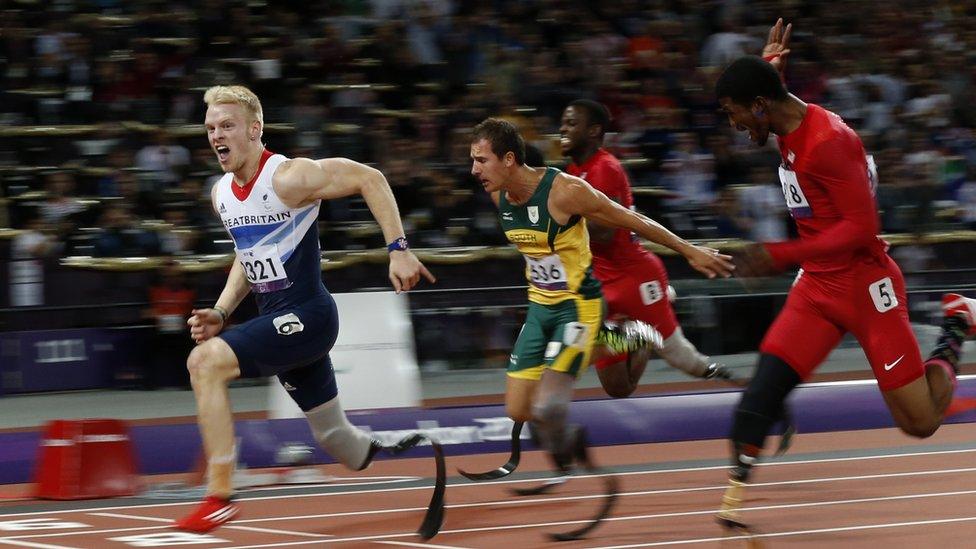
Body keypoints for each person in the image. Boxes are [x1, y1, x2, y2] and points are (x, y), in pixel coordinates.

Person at [713, 19, 976, 529]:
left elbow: (861, 229)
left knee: (920, 422)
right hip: (817, 287)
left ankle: (957, 322)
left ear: (760, 106)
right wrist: (770, 66)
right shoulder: (780, 115)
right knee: (761, 393)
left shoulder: (828, 142)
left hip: (865, 286)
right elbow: (768, 98)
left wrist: (778, 253)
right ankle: (733, 498)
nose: (734, 125)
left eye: (735, 114)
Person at [176, 85, 443, 536]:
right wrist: (222, 311)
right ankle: (389, 445)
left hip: (310, 316)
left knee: (204, 362)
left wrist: (398, 249)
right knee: (340, 444)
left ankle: (219, 495)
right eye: (210, 129)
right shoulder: (222, 193)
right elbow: (248, 254)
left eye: (227, 126)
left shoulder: (288, 177)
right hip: (277, 323)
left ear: (255, 129)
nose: (216, 136)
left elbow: (370, 177)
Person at [467, 118, 733, 537]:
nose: (474, 170)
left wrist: (688, 250)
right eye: (473, 161)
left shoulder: (565, 191)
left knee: (549, 409)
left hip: (578, 307)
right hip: (540, 308)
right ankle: (628, 335)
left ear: (509, 159)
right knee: (519, 411)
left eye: (481, 160)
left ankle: (630, 337)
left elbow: (631, 219)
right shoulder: (498, 194)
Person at [559, 99, 738, 398]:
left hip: (633, 278)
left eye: (570, 123)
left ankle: (741, 385)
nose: (562, 128)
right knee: (618, 388)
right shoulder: (573, 170)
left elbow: (603, 232)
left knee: (683, 358)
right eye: (563, 122)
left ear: (593, 131)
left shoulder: (605, 168)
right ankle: (637, 335)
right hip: (599, 281)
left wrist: (555, 223)